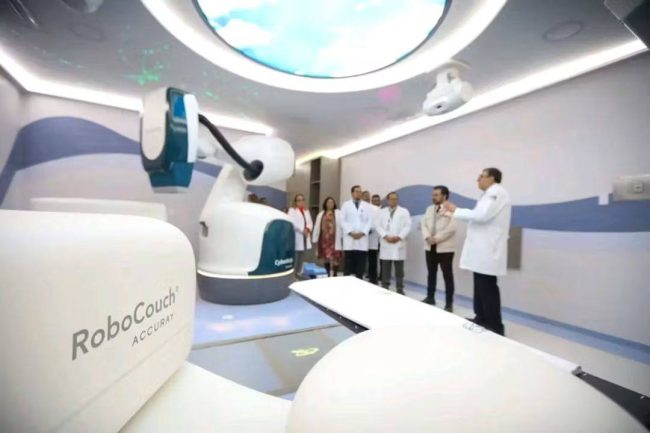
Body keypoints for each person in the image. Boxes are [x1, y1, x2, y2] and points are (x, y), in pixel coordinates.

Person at [443, 168, 511, 336]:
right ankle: (481, 317)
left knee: (487, 287)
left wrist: (455, 210)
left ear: (492, 178)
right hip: (482, 250)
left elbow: (481, 216)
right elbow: (478, 216)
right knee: (480, 285)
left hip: (488, 249)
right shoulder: (488, 195)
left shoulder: (496, 193)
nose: (478, 179)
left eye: (481, 176)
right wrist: (455, 212)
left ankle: (495, 325)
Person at [421, 185, 457, 311]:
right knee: (431, 274)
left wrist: (436, 239)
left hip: (445, 249)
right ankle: (430, 298)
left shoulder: (451, 209)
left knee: (447, 276)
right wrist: (427, 237)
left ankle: (449, 304)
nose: (433, 197)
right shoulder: (429, 209)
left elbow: (452, 229)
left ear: (444, 196)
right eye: (433, 195)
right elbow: (423, 224)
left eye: (436, 195)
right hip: (430, 247)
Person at [376, 192, 411, 294]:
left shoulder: (404, 211)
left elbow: (408, 226)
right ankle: (385, 287)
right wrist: (385, 236)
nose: (393, 201)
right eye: (391, 199)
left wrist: (399, 237)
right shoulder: (382, 212)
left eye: (395, 199)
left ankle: (400, 288)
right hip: (386, 242)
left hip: (398, 243)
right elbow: (377, 225)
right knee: (385, 268)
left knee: (399, 270)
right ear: (388, 200)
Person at [341, 185, 373, 279]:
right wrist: (350, 233)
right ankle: (346, 282)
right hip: (349, 238)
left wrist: (362, 233)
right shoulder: (346, 205)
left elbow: (370, 221)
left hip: (362, 239)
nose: (359, 193)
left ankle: (359, 281)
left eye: (360, 191)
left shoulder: (367, 206)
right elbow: (342, 220)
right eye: (357, 191)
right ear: (352, 193)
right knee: (348, 264)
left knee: (361, 264)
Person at [312, 197, 343, 276]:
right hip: (324, 239)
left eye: (332, 202)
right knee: (325, 257)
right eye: (328, 202)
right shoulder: (321, 214)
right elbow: (317, 226)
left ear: (334, 204)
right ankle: (328, 273)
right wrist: (315, 238)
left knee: (336, 257)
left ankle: (335, 274)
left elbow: (342, 225)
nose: (330, 204)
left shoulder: (338, 213)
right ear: (325, 204)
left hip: (335, 239)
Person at [287, 193, 313, 278]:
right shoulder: (292, 210)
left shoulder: (306, 211)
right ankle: (293, 274)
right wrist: (302, 230)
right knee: (296, 256)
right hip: (297, 236)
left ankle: (299, 273)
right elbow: (292, 222)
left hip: (305, 236)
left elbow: (310, 222)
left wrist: (308, 229)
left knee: (302, 256)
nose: (301, 202)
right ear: (295, 202)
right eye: (299, 200)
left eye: (302, 200)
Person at [365, 193, 380, 284]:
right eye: (364, 198)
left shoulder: (376, 209)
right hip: (360, 238)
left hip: (372, 237)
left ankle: (373, 278)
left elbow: (377, 223)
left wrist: (369, 229)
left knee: (372, 259)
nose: (366, 200)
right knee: (361, 259)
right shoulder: (358, 208)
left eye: (367, 198)